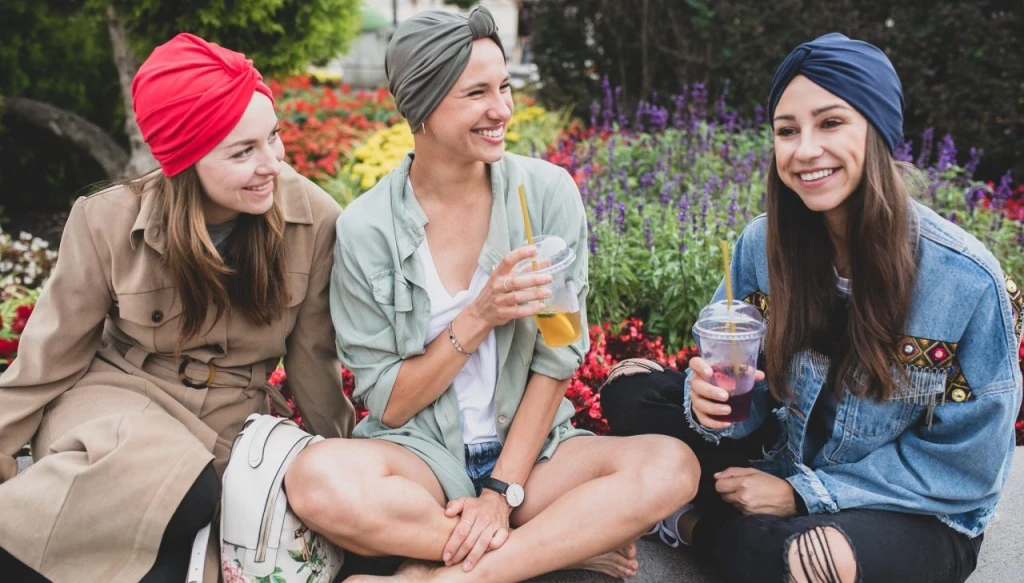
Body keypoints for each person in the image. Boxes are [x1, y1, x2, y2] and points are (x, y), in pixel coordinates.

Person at [283, 7, 698, 583]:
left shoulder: (546, 193)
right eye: (476, 92)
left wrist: (502, 490)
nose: (502, 109)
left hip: (535, 455)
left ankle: (447, 576)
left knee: (670, 466)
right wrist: (480, 314)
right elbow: (390, 403)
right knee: (316, 479)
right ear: (421, 107)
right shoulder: (365, 228)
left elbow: (558, 357)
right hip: (421, 458)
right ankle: (557, 548)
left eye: (503, 86)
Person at [601, 33, 1023, 583]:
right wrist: (712, 401)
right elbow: (746, 395)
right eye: (786, 130)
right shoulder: (763, 244)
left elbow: (966, 467)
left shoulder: (965, 280)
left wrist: (801, 496)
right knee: (628, 385)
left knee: (804, 560)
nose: (803, 149)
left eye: (830, 123)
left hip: (906, 509)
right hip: (781, 452)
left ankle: (689, 524)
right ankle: (720, 517)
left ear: (878, 132)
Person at [0, 33, 355, 583]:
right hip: (116, 403)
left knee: (186, 540)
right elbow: (50, 352)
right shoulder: (106, 220)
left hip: (232, 422)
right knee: (182, 488)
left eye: (274, 138)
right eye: (243, 151)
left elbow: (313, 360)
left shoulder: (315, 219)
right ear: (185, 161)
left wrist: (351, 457)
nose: (272, 164)